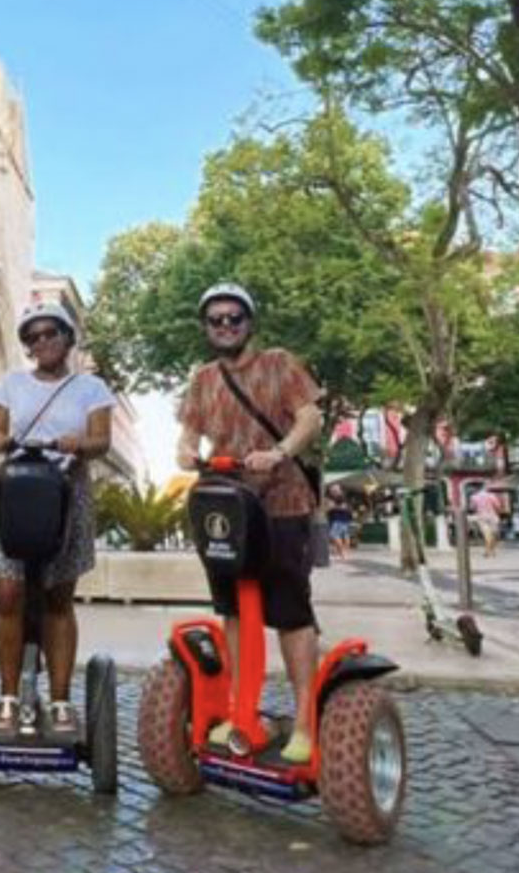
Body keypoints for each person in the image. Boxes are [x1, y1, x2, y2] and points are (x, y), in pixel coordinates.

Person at [175, 283, 325, 765]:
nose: (225, 326)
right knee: (235, 611)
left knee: (290, 611)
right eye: (216, 320)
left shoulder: (280, 364)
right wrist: (184, 450)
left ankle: (305, 720)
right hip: (228, 509)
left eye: (233, 318)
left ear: (249, 323)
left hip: (281, 502)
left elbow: (310, 419)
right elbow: (189, 431)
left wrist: (279, 452)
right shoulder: (202, 379)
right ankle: (245, 714)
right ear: (206, 328)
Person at [0, 303, 114, 738]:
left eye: (50, 333)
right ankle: (9, 696)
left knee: (57, 599)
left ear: (68, 337)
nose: (41, 343)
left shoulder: (90, 387)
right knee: (9, 594)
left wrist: (79, 443)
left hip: (65, 493)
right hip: (17, 492)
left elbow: (102, 440)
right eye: (32, 337)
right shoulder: (11, 383)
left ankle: (58, 700)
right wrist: (4, 439)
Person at [467, 486, 504, 559]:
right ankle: (491, 550)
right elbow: (498, 506)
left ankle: (488, 551)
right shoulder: (492, 496)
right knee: (494, 534)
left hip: (481, 516)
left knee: (486, 534)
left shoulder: (474, 497)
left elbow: (472, 507)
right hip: (492, 516)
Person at [325, 483, 356, 559]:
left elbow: (343, 507)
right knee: (345, 536)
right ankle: (344, 553)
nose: (331, 491)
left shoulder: (340, 497)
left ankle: (342, 553)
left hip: (338, 519)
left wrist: (332, 507)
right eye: (331, 490)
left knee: (334, 535)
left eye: (333, 490)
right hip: (343, 519)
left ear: (337, 490)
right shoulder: (341, 497)